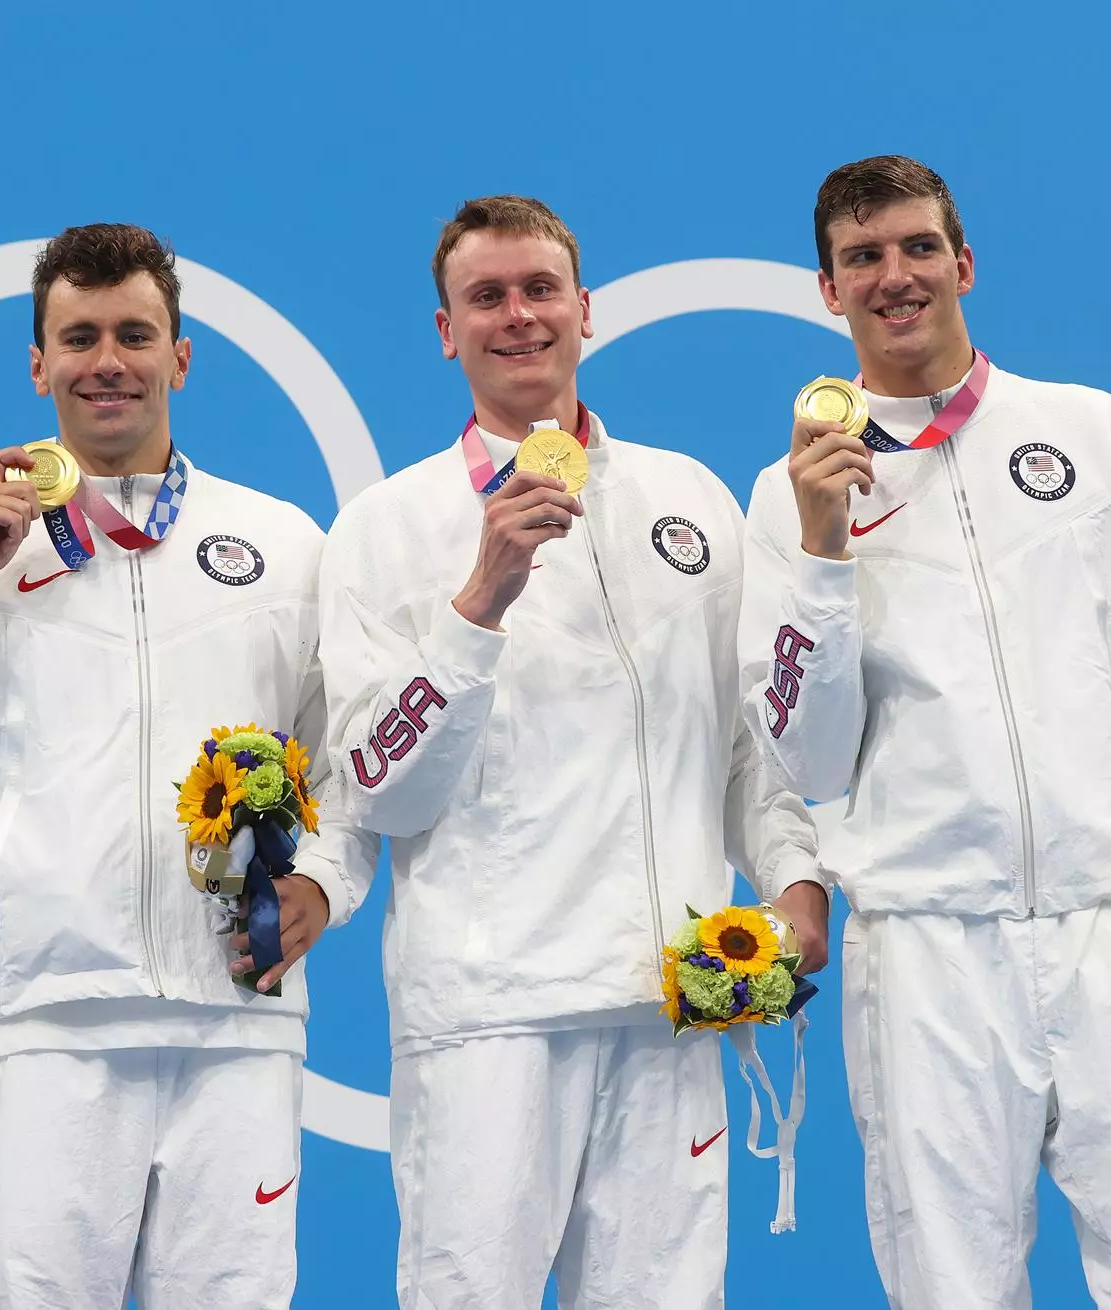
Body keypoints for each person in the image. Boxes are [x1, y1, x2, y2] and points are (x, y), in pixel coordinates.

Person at [739, 154, 1111, 1309]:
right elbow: (806, 761)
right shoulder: (788, 494)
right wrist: (822, 550)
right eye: (860, 257)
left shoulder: (1092, 432)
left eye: (916, 247)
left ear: (962, 262)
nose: (893, 275)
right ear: (826, 291)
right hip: (925, 955)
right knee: (952, 1289)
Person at [317, 195, 827, 1309]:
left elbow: (742, 742)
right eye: (485, 296)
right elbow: (370, 791)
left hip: (671, 1001)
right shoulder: (386, 525)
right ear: (444, 330)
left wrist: (793, 878)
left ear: (583, 309)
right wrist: (478, 601)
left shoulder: (685, 495)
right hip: (487, 1015)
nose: (517, 315)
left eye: (538, 288)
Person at [0, 222, 376, 1309]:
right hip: (43, 1024)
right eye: (78, 335)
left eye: (134, 333)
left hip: (236, 1027)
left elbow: (348, 770)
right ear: (38, 364)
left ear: (179, 357)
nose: (108, 358)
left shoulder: (283, 545)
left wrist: (321, 887)